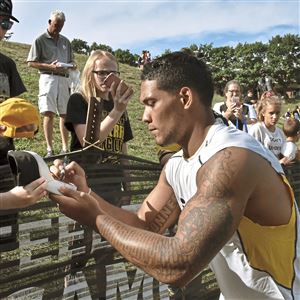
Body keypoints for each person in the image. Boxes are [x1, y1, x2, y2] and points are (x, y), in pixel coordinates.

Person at [50, 52, 299, 300]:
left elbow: (176, 264)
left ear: (185, 98)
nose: (144, 117)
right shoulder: (178, 163)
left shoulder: (231, 159)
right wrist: (86, 194)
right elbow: (144, 225)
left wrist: (94, 217)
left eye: (151, 103)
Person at [64, 49, 133, 299]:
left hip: (112, 186)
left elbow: (124, 149)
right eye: (101, 72)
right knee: (79, 249)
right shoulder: (79, 100)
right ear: (90, 74)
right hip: (84, 185)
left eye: (112, 72)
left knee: (107, 251)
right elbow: (88, 141)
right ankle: (70, 293)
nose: (107, 77)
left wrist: (128, 185)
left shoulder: (118, 106)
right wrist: (115, 112)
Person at [27, 10, 76, 157]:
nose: (58, 29)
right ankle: (49, 149)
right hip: (48, 78)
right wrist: (50, 66)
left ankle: (65, 149)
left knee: (64, 114)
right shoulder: (40, 40)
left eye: (61, 26)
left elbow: (72, 60)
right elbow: (31, 62)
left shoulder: (66, 42)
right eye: (56, 25)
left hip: (64, 78)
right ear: (49, 22)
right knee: (48, 113)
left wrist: (72, 65)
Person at [0, 0, 27, 165]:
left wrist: (27, 125)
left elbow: (14, 110)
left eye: (5, 23)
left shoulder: (8, 65)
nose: (0, 29)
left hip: (3, 156)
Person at [0, 125, 47, 209]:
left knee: (9, 219)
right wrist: (7, 200)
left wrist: (22, 124)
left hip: (7, 170)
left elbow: (31, 127)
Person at [249, 95, 286, 160]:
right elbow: (251, 154)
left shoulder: (280, 133)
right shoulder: (257, 129)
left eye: (277, 113)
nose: (275, 117)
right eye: (271, 113)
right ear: (263, 113)